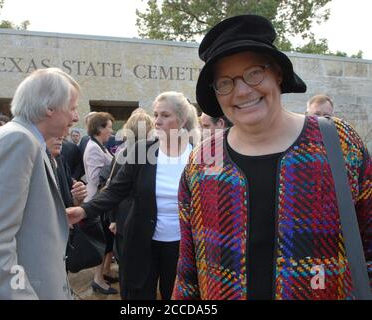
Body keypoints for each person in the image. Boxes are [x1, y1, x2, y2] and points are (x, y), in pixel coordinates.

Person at [171, 15, 371, 300]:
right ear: (216, 93)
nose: (242, 90)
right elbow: (188, 269)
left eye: (254, 73)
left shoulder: (337, 141)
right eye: (225, 82)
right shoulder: (203, 159)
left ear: (277, 73)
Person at [67, 91, 200, 300]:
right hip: (141, 242)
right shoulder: (142, 151)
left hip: (182, 245)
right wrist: (84, 209)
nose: (157, 121)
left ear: (182, 120)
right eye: (155, 115)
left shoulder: (197, 155)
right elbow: (115, 190)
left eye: (165, 115)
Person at [0, 67, 80, 299]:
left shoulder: (17, 137)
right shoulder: (18, 140)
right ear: (49, 108)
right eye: (72, 108)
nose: (75, 117)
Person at [107, 110, 155, 299]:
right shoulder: (142, 152)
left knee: (128, 266)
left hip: (125, 218)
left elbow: (112, 189)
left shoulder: (124, 152)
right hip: (134, 218)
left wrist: (113, 219)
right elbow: (114, 188)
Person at [83, 111, 118, 295]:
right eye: (109, 128)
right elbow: (96, 178)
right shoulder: (94, 148)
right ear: (99, 128)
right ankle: (98, 280)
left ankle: (104, 273)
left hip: (100, 200)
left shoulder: (100, 146)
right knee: (101, 242)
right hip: (97, 201)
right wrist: (115, 167)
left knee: (106, 240)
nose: (111, 132)